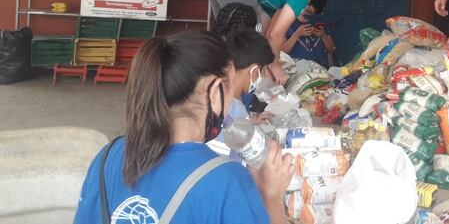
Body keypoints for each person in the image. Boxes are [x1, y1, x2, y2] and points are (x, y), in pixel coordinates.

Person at [73, 31, 293, 224]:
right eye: (230, 87)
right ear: (214, 92)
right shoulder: (228, 180)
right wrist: (272, 198)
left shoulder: (107, 157)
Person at [198, 0, 328, 84]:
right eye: (307, 11)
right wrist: (275, 65)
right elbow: (275, 35)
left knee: (224, 33)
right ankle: (235, 86)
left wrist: (269, 62)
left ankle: (211, 78)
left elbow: (267, 32)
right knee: (242, 36)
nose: (301, 13)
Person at [282, 0, 336, 67]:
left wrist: (323, 35)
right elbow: (282, 52)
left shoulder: (320, 22)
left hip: (320, 71)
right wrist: (297, 34)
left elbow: (331, 49)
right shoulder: (287, 22)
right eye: (308, 5)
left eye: (315, 7)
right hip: (296, 71)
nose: (310, 9)